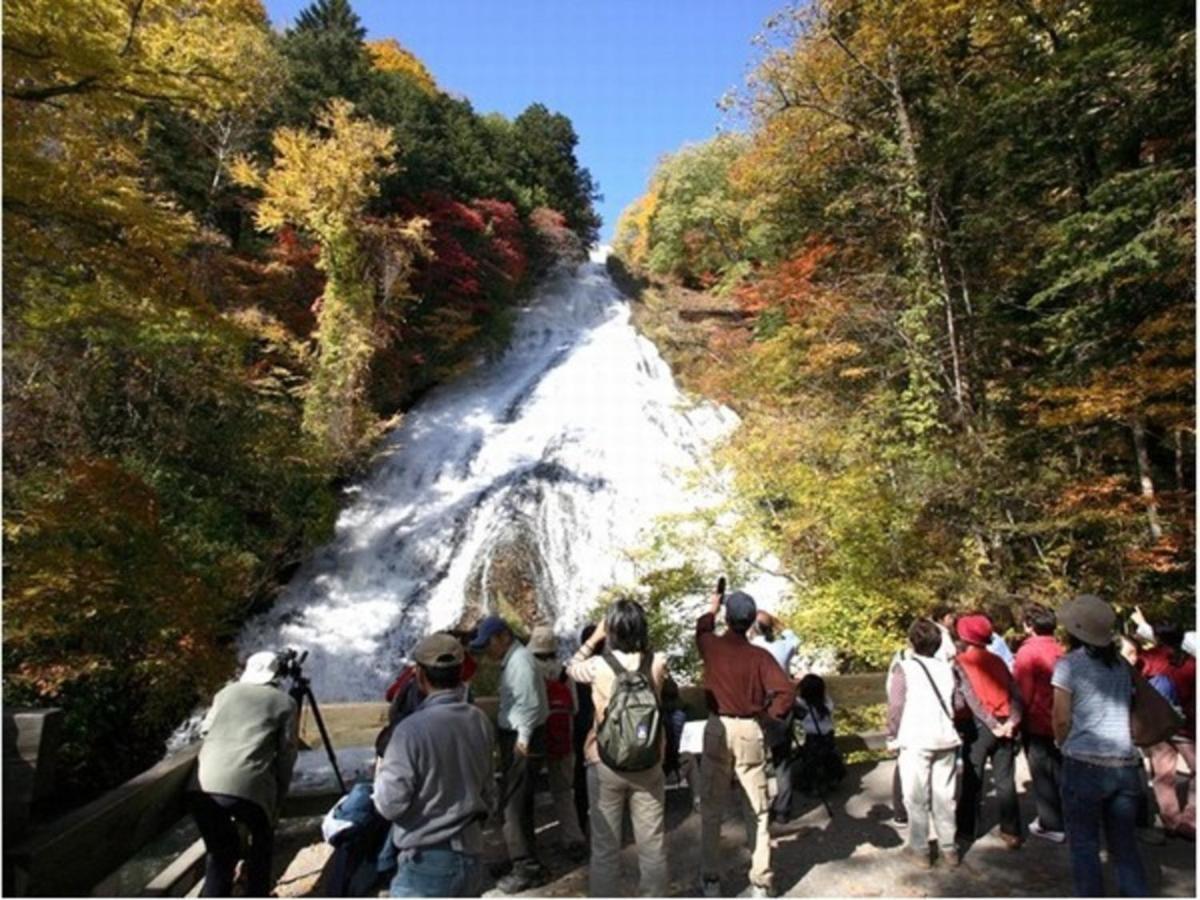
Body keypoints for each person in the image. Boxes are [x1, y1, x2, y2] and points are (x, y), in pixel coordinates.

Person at [374, 634, 495, 897]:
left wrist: (380, 771)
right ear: (462, 672)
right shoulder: (480, 720)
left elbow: (389, 804)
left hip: (426, 862)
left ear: (419, 675)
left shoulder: (409, 731)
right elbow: (489, 789)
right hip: (473, 853)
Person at [566, 598, 669, 897]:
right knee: (653, 846)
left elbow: (570, 667)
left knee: (605, 849)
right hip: (649, 763)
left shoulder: (597, 666)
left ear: (611, 629)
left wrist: (596, 637)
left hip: (604, 762)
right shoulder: (658, 661)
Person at [696, 587, 794, 898]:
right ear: (751, 621)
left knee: (712, 807)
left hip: (717, 728)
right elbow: (787, 692)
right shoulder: (759, 656)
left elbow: (702, 627)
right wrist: (768, 715)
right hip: (750, 729)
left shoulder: (710, 645)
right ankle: (761, 881)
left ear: (727, 617)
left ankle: (711, 880)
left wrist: (713, 605)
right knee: (758, 810)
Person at [1053, 594, 1148, 896]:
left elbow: (1061, 718)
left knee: (1084, 846)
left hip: (1084, 763)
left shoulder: (1069, 666)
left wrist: (1061, 742)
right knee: (1125, 846)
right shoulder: (1121, 665)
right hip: (1124, 762)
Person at [188, 651, 299, 897]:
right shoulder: (285, 702)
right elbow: (287, 754)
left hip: (201, 787)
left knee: (220, 854)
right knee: (262, 845)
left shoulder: (225, 693)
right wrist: (279, 794)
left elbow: (205, 730)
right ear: (276, 674)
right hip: (249, 790)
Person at [469, 616, 550, 893]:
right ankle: (526, 861)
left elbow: (529, 704)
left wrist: (523, 739)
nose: (487, 650)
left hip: (521, 740)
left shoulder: (520, 663)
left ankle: (525, 867)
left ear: (503, 636)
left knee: (513, 805)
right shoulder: (518, 660)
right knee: (520, 801)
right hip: (520, 737)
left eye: (488, 642)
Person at [887, 620, 966, 868]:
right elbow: (959, 703)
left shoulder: (904, 668)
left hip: (915, 737)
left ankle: (920, 849)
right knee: (945, 796)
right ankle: (949, 848)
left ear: (912, 642)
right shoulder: (947, 669)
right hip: (945, 736)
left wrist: (892, 733)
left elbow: (896, 705)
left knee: (916, 796)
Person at [954, 613, 1024, 848]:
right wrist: (1012, 721)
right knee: (1005, 779)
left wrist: (992, 724)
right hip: (1006, 724)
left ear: (964, 637)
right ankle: (1011, 830)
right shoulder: (999, 661)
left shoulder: (961, 662)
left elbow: (969, 697)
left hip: (980, 726)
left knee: (973, 779)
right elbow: (1015, 692)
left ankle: (966, 830)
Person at [529, 625, 588, 861]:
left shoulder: (529, 669)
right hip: (563, 737)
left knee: (527, 793)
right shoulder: (565, 673)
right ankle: (573, 839)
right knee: (564, 792)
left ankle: (530, 843)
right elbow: (574, 707)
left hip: (533, 737)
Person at [1138, 620, 1196, 839]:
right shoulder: (1191, 663)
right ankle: (1191, 819)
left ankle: (1170, 819)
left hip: (1158, 726)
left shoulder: (1148, 658)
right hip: (1186, 727)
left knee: (1163, 774)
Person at [1013, 604, 1066, 843]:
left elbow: (1023, 691)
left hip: (1037, 720)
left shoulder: (1028, 653)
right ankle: (1070, 816)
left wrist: (1014, 719)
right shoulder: (1063, 649)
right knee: (1062, 770)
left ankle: (1051, 823)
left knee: (1042, 772)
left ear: (1029, 626)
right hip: (1064, 719)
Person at [791, 673, 845, 799]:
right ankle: (832, 780)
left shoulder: (802, 704)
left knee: (812, 763)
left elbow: (792, 699)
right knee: (828, 758)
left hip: (813, 738)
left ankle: (813, 786)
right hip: (828, 736)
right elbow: (825, 697)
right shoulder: (826, 704)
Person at [573, 623, 600, 836]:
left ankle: (582, 820)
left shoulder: (581, 669)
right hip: (603, 728)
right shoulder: (610, 666)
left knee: (580, 779)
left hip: (580, 727)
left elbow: (570, 669)